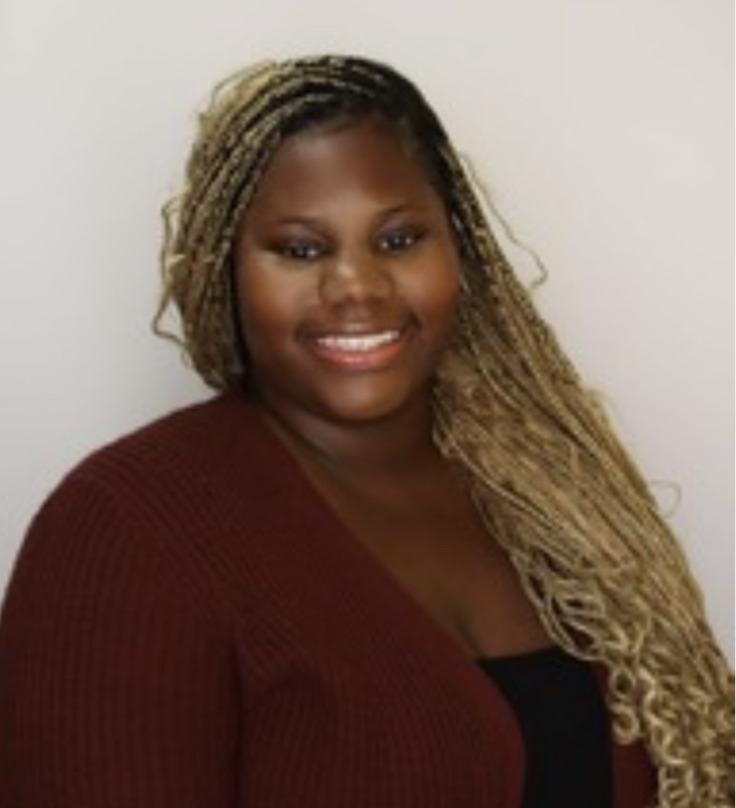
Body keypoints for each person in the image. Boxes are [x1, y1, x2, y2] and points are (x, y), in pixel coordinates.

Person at [0, 54, 731, 808]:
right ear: (222, 271)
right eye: (300, 249)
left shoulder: (557, 499)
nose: (356, 287)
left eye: (398, 239)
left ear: (461, 255)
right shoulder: (128, 527)